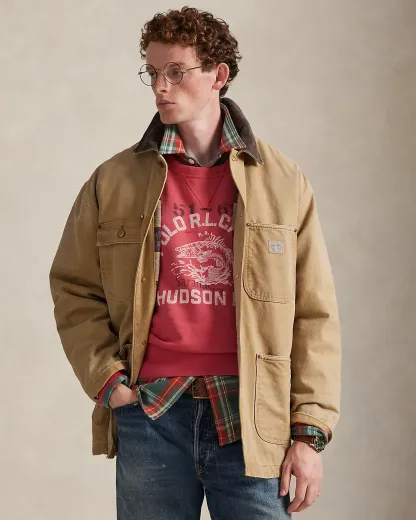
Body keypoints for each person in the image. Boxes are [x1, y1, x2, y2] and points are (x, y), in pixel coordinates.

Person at [49, 6, 341, 519]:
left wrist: (309, 433)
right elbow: (73, 287)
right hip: (153, 412)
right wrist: (110, 382)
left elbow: (314, 314)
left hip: (254, 418)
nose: (160, 86)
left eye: (175, 71)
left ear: (218, 75)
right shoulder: (113, 180)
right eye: (152, 72)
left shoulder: (282, 182)